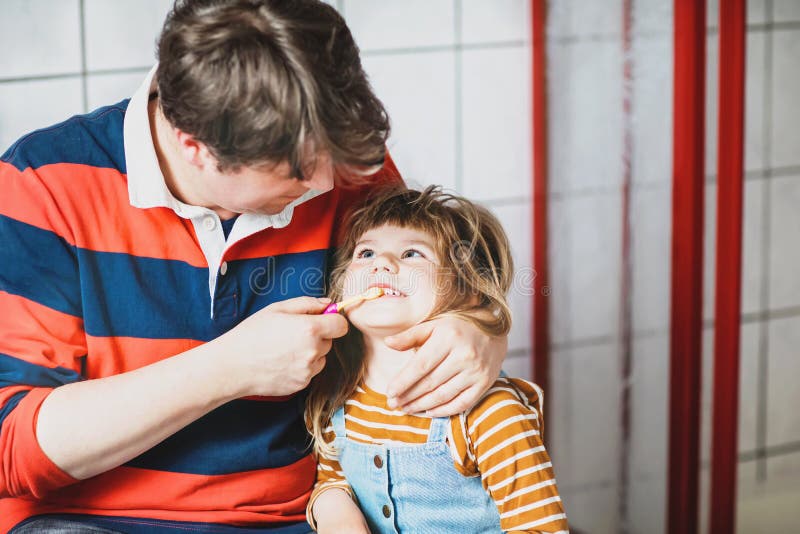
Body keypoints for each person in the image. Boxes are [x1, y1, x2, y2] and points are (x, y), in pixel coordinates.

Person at [0, 1, 507, 532]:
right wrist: (229, 370)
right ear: (193, 146)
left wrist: (475, 329)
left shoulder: (333, 160)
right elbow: (12, 446)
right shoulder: (44, 184)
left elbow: (442, 291)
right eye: (297, 173)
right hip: (88, 520)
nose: (328, 186)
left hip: (296, 516)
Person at [305, 186, 569, 533]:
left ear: (467, 289)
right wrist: (336, 512)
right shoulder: (336, 401)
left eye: (413, 253)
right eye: (366, 253)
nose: (382, 262)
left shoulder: (490, 413)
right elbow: (332, 481)